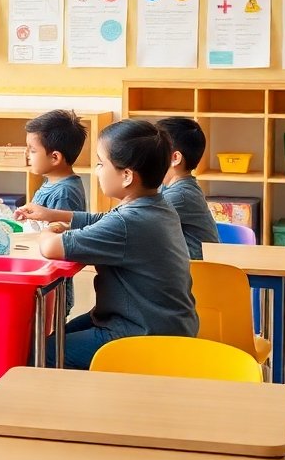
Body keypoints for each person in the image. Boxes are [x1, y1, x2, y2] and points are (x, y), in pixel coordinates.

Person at [17, 119, 198, 370]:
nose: (97, 170)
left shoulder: (129, 221)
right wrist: (56, 216)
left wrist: (48, 230)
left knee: (41, 352)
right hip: (159, 323)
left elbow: (50, 248)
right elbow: (103, 220)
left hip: (142, 334)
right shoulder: (156, 206)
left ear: (126, 176)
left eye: (101, 163)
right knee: (53, 338)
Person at [24, 109, 89, 313]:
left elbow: (60, 239)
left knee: (47, 339)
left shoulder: (65, 192)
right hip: (43, 279)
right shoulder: (52, 182)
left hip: (52, 288)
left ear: (55, 157)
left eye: (32, 150)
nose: (27, 155)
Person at [157, 116, 220, 260]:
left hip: (199, 278)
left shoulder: (180, 196)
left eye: (154, 149)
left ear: (175, 158)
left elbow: (130, 220)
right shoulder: (167, 188)